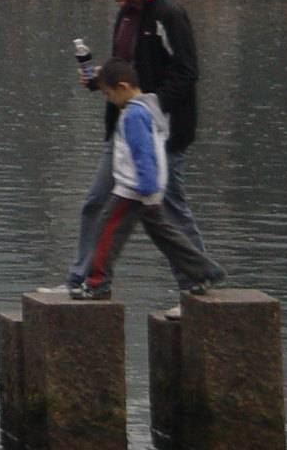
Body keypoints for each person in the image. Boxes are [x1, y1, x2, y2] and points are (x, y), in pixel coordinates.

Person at [48, 0, 224, 299]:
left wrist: (146, 107)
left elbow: (187, 73)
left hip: (162, 131)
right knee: (96, 203)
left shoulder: (167, 13)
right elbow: (129, 69)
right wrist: (104, 79)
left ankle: (196, 283)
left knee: (170, 211)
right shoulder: (127, 12)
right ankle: (79, 279)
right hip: (123, 128)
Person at [70, 58, 220, 298]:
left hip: (134, 189)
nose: (109, 100)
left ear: (122, 88)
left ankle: (97, 284)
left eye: (108, 94)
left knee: (106, 232)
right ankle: (204, 270)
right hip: (150, 189)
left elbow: (143, 152)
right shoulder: (151, 106)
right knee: (165, 235)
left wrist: (145, 185)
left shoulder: (134, 115)